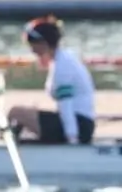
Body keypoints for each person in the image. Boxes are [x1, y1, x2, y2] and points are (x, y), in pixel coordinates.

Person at [6, 15, 96, 145]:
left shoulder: (62, 66)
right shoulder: (63, 57)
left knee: (16, 112)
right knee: (26, 112)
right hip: (80, 123)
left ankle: (8, 146)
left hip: (78, 127)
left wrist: (72, 139)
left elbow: (66, 105)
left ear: (43, 44)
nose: (31, 49)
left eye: (31, 45)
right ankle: (16, 143)